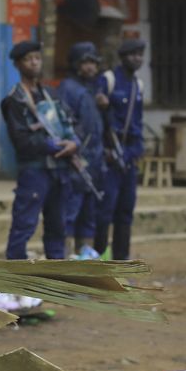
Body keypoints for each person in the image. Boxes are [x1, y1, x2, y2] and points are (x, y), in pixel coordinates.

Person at [1, 40, 79, 260]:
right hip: (35, 171)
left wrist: (74, 143)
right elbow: (20, 140)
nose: (34, 63)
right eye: (28, 59)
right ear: (17, 65)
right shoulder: (15, 99)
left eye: (37, 58)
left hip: (60, 171)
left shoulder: (51, 94)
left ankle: (54, 280)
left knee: (58, 226)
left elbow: (68, 122)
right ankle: (15, 284)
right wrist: (50, 145)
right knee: (24, 226)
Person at [94, 39, 146, 260]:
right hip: (108, 157)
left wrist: (135, 152)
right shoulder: (108, 80)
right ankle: (100, 262)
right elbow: (96, 120)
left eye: (140, 54)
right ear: (122, 57)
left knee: (125, 213)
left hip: (129, 155)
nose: (137, 58)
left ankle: (121, 262)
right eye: (132, 54)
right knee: (104, 213)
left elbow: (138, 121)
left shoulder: (139, 85)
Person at [56, 42, 104, 259]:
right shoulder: (68, 89)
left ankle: (85, 269)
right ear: (76, 64)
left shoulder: (91, 90)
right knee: (69, 217)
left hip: (93, 166)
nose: (91, 67)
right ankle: (66, 268)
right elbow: (62, 125)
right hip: (74, 165)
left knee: (88, 218)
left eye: (93, 63)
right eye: (86, 62)